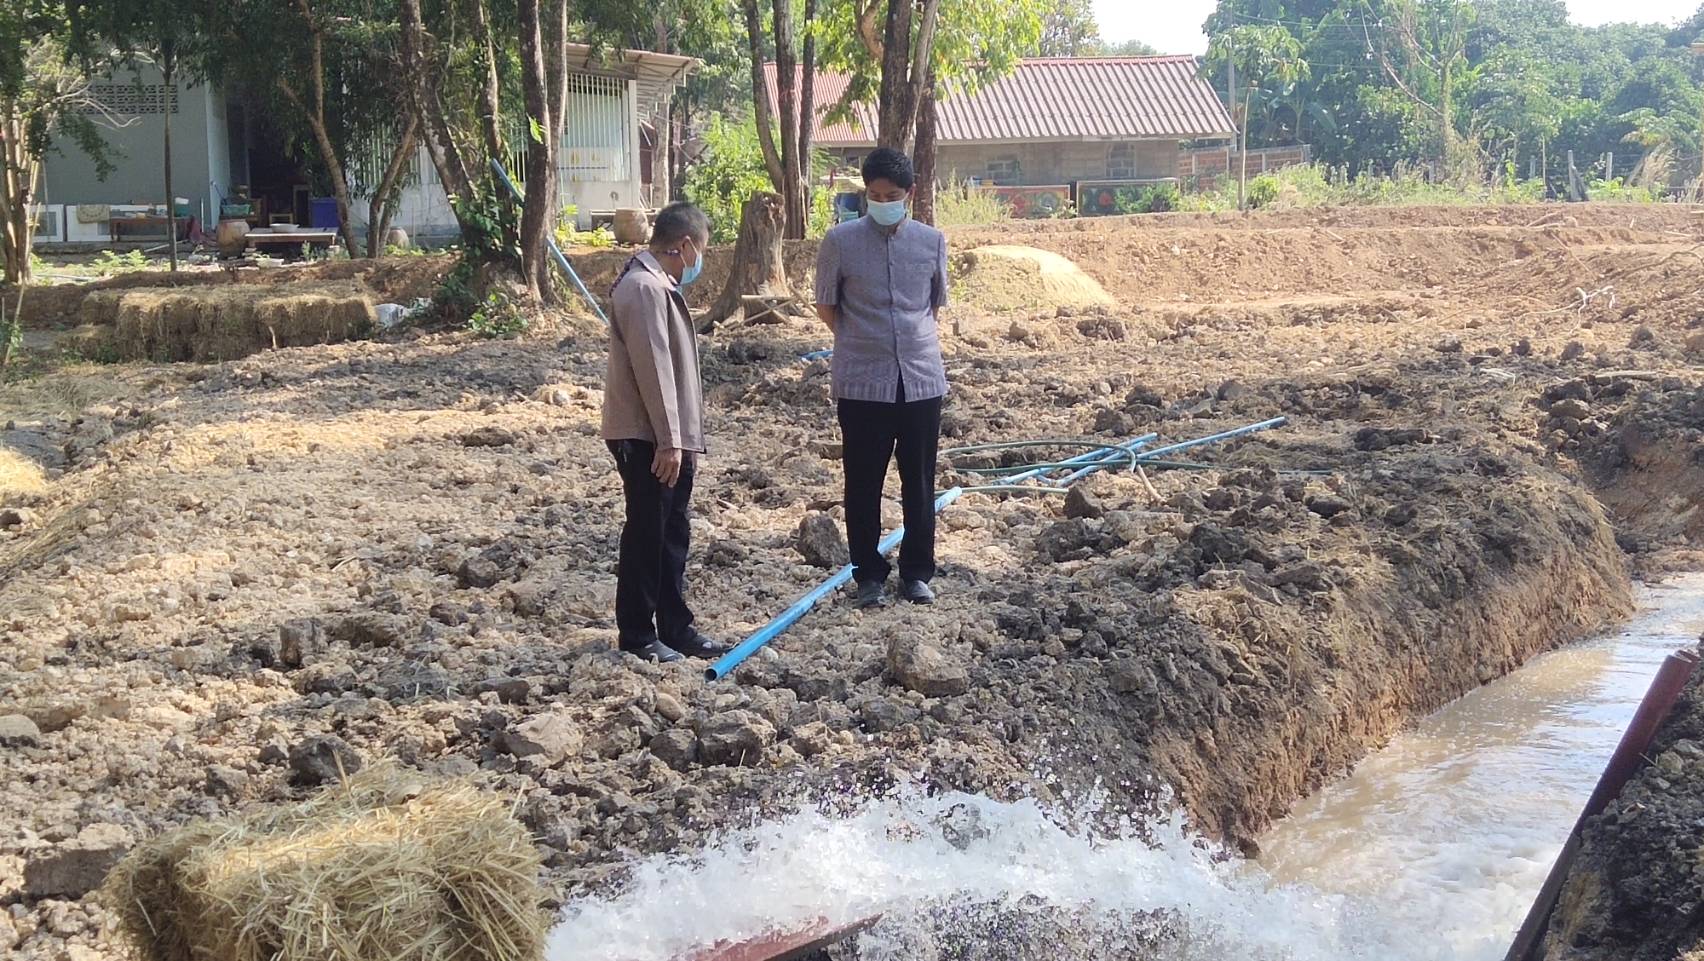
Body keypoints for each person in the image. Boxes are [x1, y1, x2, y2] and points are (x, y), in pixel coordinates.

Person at [813, 147, 950, 609]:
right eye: (875, 195)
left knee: (920, 482)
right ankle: (868, 575)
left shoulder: (931, 242)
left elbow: (932, 305)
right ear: (864, 194)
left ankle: (916, 573)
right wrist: (864, 340)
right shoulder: (840, 241)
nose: (883, 202)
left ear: (910, 193)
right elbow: (827, 306)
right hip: (862, 383)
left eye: (892, 196)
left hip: (920, 380)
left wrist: (907, 341)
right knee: (863, 482)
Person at [602, 202, 729, 663]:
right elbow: (654, 369)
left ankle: (675, 626)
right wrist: (670, 440)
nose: (700, 260)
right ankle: (637, 633)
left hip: (666, 436)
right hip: (648, 437)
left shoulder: (658, 286)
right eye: (702, 250)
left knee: (672, 530)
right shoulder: (644, 289)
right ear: (686, 245)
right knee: (647, 531)